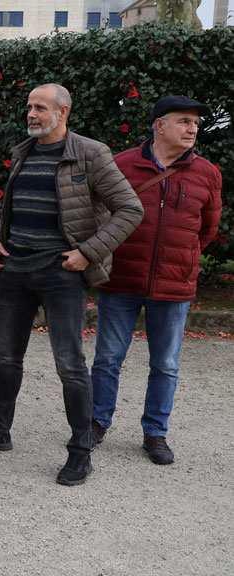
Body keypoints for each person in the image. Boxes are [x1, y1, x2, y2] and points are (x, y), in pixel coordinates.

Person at [0, 83, 143, 486]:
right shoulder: (23, 152)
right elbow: (12, 211)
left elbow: (130, 209)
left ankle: (80, 450)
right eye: (29, 107)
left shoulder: (91, 154)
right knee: (6, 358)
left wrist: (89, 252)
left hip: (62, 273)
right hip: (15, 272)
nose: (31, 114)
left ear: (63, 112)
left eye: (40, 108)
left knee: (70, 365)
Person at [90, 96, 223, 465]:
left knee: (165, 364)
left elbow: (208, 229)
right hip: (121, 279)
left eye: (195, 123)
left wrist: (180, 258)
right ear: (159, 125)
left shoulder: (208, 173)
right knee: (107, 359)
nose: (192, 129)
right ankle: (97, 422)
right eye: (184, 121)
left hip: (174, 285)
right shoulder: (121, 165)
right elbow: (99, 213)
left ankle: (155, 433)